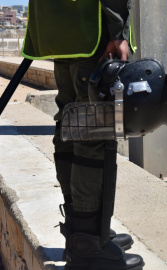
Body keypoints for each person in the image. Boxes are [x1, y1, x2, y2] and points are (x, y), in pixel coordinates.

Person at [22, 1, 144, 269]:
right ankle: (88, 244)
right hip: (91, 29)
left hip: (58, 30)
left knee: (69, 122)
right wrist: (116, 33)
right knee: (92, 131)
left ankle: (82, 230)